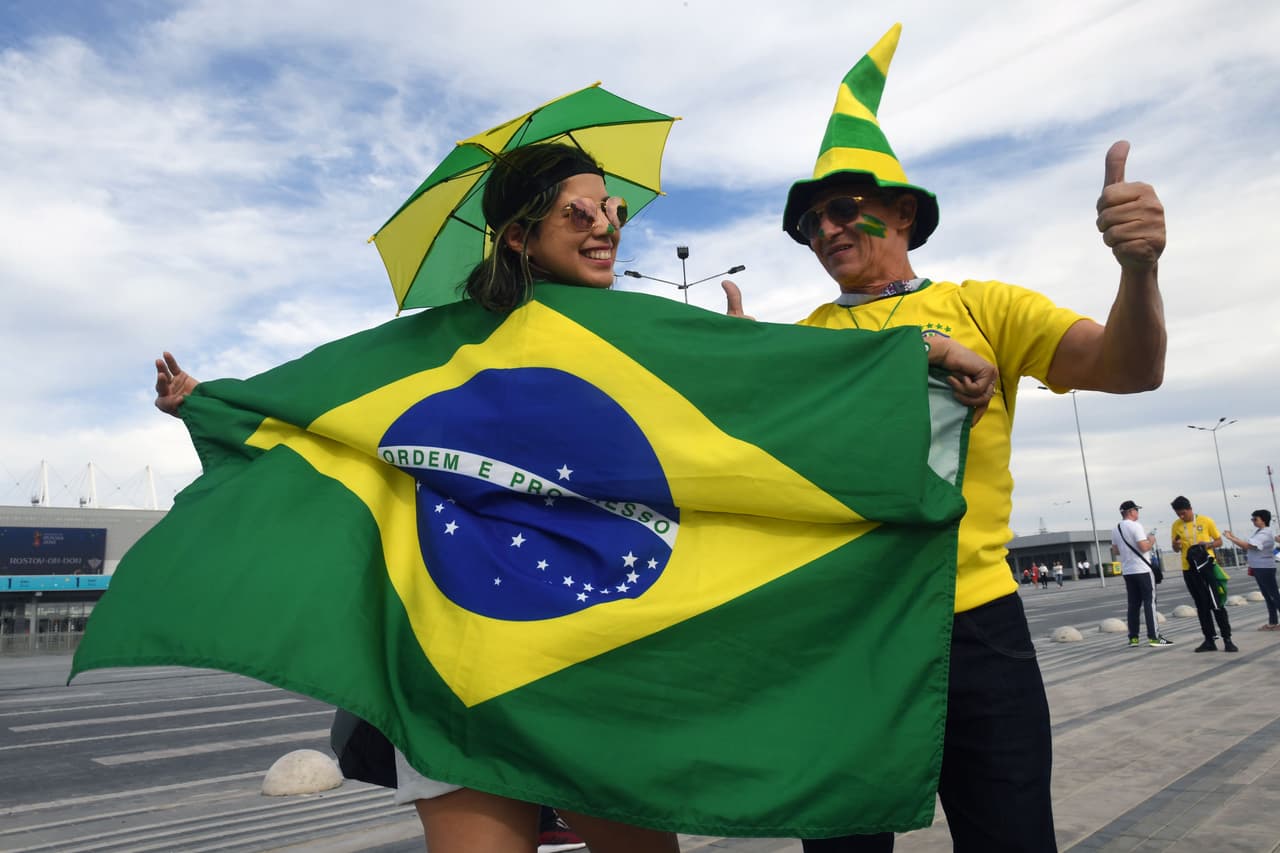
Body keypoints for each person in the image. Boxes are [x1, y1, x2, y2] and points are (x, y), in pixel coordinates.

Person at [155, 140, 998, 853]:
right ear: (519, 236)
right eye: (580, 214)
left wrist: (919, 349)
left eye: (613, 211)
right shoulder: (440, 345)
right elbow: (327, 412)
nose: (606, 227)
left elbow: (784, 384)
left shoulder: (646, 332)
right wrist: (213, 400)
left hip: (600, 665)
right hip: (461, 662)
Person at [726, 24, 1166, 852]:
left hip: (975, 621)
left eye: (842, 207)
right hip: (844, 631)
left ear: (902, 211)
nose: (824, 230)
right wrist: (737, 364)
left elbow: (1129, 368)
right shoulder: (804, 339)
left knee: (1010, 838)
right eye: (809, 221)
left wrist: (1137, 269)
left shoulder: (987, 306)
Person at [1170, 495, 1236, 653]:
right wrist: (1175, 545)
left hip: (1206, 566)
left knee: (1216, 603)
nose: (1181, 516)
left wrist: (1208, 544)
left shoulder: (1206, 521)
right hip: (1189, 569)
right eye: (1178, 514)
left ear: (1190, 509)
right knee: (1201, 605)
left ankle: (1227, 639)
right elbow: (1175, 549)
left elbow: (1219, 541)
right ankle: (1209, 640)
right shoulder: (1176, 525)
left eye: (1183, 513)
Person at [1109, 500, 1171, 647]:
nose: (1138, 513)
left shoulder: (1116, 529)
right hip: (1142, 569)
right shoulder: (1136, 526)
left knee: (1133, 604)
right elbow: (1144, 547)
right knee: (1150, 603)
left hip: (1128, 571)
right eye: (1136, 510)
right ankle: (1154, 637)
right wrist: (1151, 540)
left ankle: (1133, 638)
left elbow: (1116, 551)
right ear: (1131, 512)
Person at [1224, 509, 1280, 631]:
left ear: (1263, 520)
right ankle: (1273, 622)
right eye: (1252, 519)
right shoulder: (1260, 532)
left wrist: (1230, 538)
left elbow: (1247, 546)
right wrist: (1233, 537)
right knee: (1269, 596)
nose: (1253, 521)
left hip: (1264, 568)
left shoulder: (1264, 533)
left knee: (1274, 596)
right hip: (1260, 568)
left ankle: (1273, 622)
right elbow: (1247, 543)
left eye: (1255, 519)